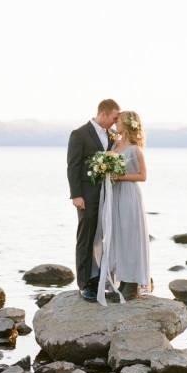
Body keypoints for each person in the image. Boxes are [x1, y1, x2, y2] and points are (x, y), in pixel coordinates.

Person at [93, 110, 151, 304]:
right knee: (117, 237)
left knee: (130, 237)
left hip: (128, 195)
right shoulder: (116, 145)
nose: (115, 124)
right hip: (114, 195)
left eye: (118, 121)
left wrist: (120, 177)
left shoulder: (135, 149)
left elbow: (143, 176)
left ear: (127, 124)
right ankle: (122, 281)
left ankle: (132, 284)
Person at [66, 99, 121, 302]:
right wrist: (76, 195)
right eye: (115, 118)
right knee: (86, 236)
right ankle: (84, 284)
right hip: (86, 196)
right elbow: (73, 166)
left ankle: (100, 278)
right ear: (104, 114)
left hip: (107, 194)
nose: (116, 122)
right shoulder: (79, 134)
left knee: (103, 236)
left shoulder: (112, 135)